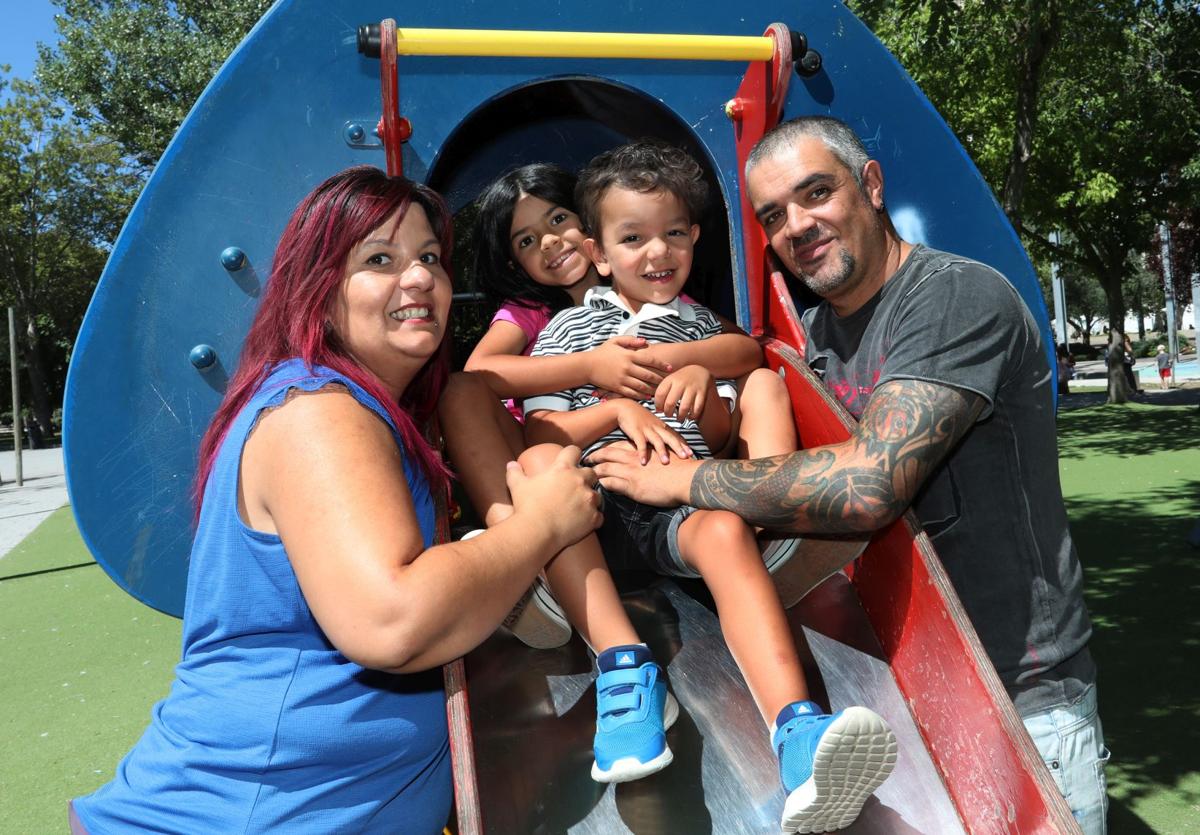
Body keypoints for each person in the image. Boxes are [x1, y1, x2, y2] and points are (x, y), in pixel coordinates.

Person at [589, 117, 1108, 833]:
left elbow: (866, 486)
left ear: (869, 185)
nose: (799, 224)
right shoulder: (814, 342)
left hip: (1017, 699)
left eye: (817, 193)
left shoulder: (954, 298)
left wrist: (680, 484)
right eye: (774, 215)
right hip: (891, 690)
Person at [69, 168, 602, 834]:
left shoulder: (368, 413)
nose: (418, 278)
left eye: (429, 258)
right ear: (318, 290)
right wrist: (542, 525)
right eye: (380, 259)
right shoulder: (318, 410)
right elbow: (393, 619)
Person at [519, 140, 896, 833]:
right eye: (632, 238)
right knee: (546, 482)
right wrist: (603, 417)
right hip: (593, 508)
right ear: (599, 253)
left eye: (672, 233)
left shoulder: (698, 326)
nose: (656, 252)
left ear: (694, 237)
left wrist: (702, 390)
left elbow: (722, 434)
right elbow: (542, 434)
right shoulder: (570, 330)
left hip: (680, 504)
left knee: (722, 527)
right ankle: (623, 676)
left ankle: (799, 735)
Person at [438, 163, 822, 648]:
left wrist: (671, 359)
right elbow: (482, 372)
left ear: (592, 231)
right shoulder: (536, 315)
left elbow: (743, 348)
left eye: (558, 221)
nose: (551, 243)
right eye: (527, 241)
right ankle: (522, 551)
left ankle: (768, 514)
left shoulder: (665, 296)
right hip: (557, 454)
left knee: (762, 381)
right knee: (460, 395)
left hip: (678, 447)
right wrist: (591, 368)